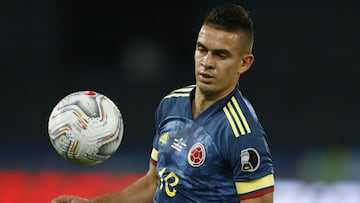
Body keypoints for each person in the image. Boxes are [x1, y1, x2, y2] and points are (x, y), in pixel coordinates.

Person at [51, 3, 275, 203]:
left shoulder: (242, 134)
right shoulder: (171, 104)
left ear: (244, 63)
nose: (207, 62)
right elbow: (154, 182)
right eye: (201, 49)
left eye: (220, 55)